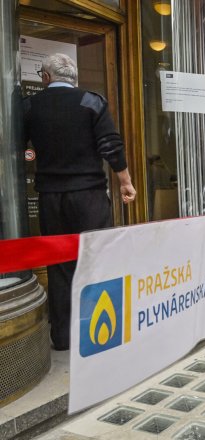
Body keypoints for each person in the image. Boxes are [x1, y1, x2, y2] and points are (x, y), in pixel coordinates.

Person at [23, 53, 136, 351]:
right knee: (97, 260)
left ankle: (62, 337)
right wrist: (125, 181)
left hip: (50, 198)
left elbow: (17, 148)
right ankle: (101, 333)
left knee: (59, 266)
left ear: (46, 78)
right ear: (73, 77)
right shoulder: (92, 101)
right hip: (89, 196)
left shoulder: (31, 106)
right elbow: (110, 144)